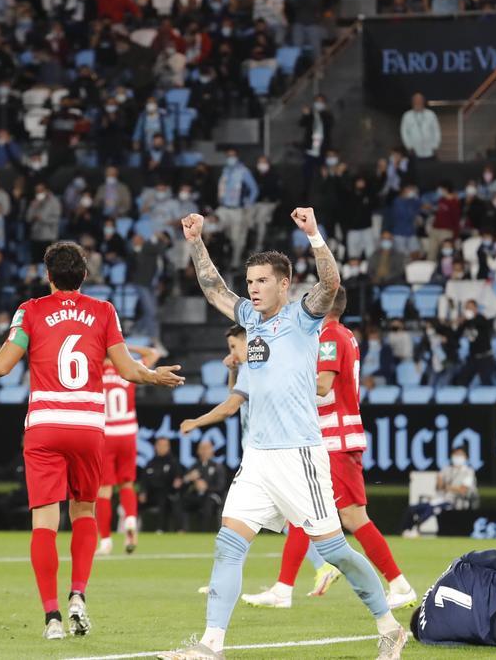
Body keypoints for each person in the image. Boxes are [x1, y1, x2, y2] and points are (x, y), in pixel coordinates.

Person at [161, 208, 408, 660]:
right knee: (228, 543)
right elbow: (213, 287)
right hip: (257, 458)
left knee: (336, 552)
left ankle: (389, 628)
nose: (252, 288)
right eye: (250, 281)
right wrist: (196, 242)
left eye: (261, 281)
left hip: (300, 456)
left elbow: (330, 285)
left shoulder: (303, 317)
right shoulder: (249, 321)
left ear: (283, 284)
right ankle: (210, 645)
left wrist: (314, 235)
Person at [0, 242, 183, 640]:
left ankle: (52, 617)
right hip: (88, 426)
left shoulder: (30, 310)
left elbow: (1, 365)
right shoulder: (103, 311)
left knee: (45, 523)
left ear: (47, 275)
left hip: (45, 426)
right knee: (84, 511)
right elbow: (127, 369)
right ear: (84, 276)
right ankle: (78, 595)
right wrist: (156, 376)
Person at [219, 288, 418, 610]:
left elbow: (323, 385)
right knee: (302, 512)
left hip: (334, 439)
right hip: (328, 438)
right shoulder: (343, 335)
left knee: (353, 517)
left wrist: (282, 386)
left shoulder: (328, 336)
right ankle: (283, 588)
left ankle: (398, 583)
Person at [96, 345, 161, 556]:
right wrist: (126, 345)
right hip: (127, 433)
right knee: (127, 483)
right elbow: (153, 354)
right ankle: (131, 520)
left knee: (104, 490)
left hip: (106, 433)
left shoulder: (94, 370)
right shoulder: (127, 368)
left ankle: (105, 542)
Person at [400, 447, 477, 536]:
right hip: (439, 499)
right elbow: (439, 485)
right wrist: (442, 483)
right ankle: (406, 530)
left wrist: (446, 487)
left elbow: (463, 490)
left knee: (432, 509)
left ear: (466, 457)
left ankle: (416, 530)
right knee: (412, 508)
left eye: (460, 455)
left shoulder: (468, 472)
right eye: (456, 454)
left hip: (454, 502)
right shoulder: (447, 469)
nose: (457, 457)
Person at [178, 438, 230, 532]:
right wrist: (188, 479)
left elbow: (221, 487)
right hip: (197, 496)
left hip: (213, 497)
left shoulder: (218, 467)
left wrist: (206, 488)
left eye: (207, 448)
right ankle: (183, 529)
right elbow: (183, 484)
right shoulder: (194, 466)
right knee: (183, 501)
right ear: (198, 451)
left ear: (212, 451)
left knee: (208, 502)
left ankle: (204, 531)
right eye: (202, 448)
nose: (204, 451)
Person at [140, 436, 184, 533]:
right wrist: (143, 492)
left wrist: (177, 482)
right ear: (155, 447)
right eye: (159, 445)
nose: (161, 447)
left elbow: (179, 478)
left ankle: (167, 529)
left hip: (168, 494)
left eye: (164, 445)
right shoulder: (150, 463)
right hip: (151, 495)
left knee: (167, 499)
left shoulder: (173, 462)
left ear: (168, 447)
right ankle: (134, 527)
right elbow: (144, 480)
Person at [400, 93, 441, 160]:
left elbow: (436, 131)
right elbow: (404, 132)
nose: (418, 102)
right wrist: (409, 146)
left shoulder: (431, 114)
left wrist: (435, 145)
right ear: (412, 102)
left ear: (423, 101)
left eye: (420, 100)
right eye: (416, 100)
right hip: (414, 151)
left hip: (430, 151)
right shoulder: (407, 116)